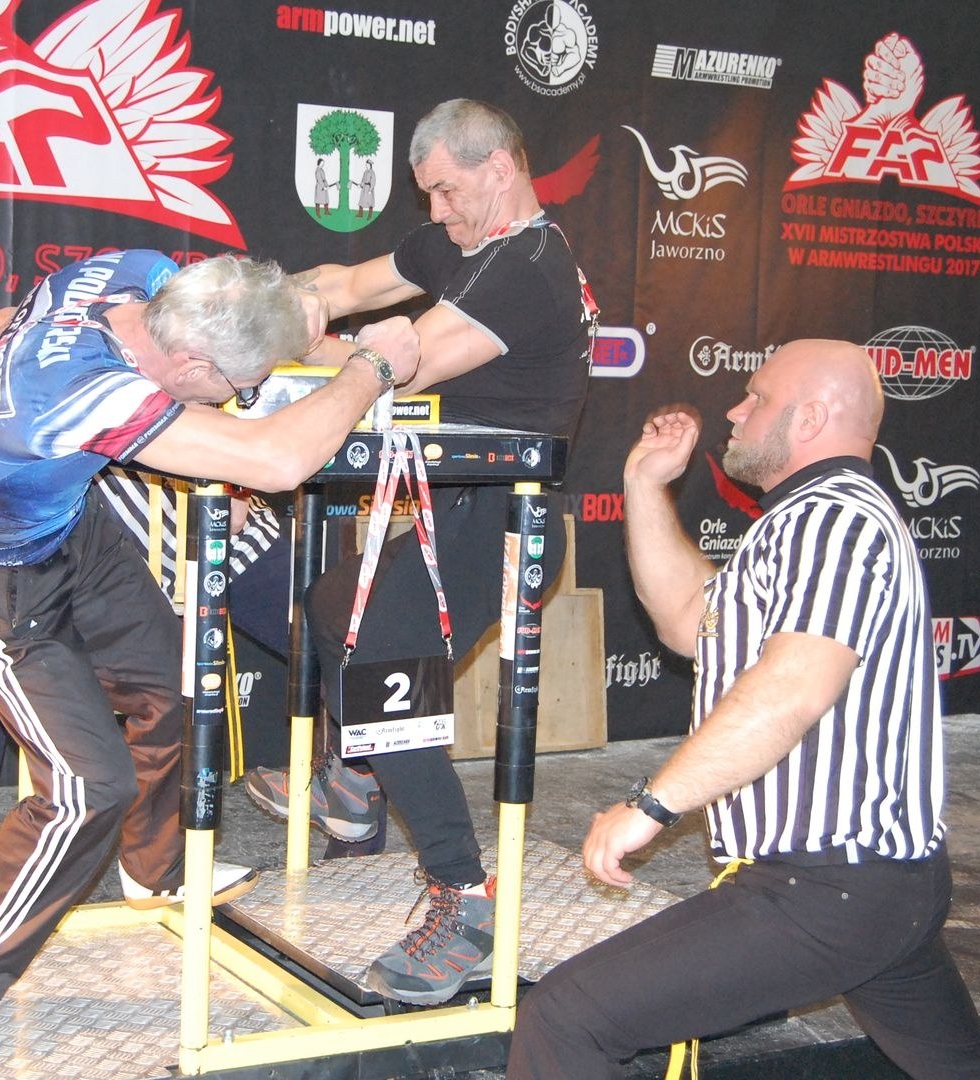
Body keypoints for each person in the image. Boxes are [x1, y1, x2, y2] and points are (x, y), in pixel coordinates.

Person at [0, 248, 418, 1044]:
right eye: (234, 388)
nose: (238, 401)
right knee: (85, 785)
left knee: (173, 681)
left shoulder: (132, 272)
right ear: (191, 363)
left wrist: (294, 314)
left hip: (72, 527)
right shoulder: (84, 391)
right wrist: (370, 368)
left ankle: (154, 871)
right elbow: (276, 460)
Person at [507, 340, 980, 1078]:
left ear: (811, 418)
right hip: (868, 886)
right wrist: (643, 484)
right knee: (969, 1071)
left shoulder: (835, 520)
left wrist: (651, 805)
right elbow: (688, 617)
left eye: (757, 398)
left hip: (828, 888)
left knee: (566, 1019)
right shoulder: (804, 520)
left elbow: (792, 688)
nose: (734, 412)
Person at [243, 98, 599, 1005]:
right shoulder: (464, 244)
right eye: (427, 193)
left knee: (377, 663)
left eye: (447, 190)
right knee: (331, 605)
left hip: (509, 527)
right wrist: (272, 307)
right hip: (456, 515)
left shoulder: (529, 269)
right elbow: (349, 284)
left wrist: (255, 358)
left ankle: (464, 901)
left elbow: (399, 361)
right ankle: (355, 782)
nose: (435, 212)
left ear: (500, 169)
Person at [0, 463, 297, 918]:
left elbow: (240, 498)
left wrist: (235, 473)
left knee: (317, 635)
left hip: (213, 525)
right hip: (97, 528)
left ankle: (349, 794)